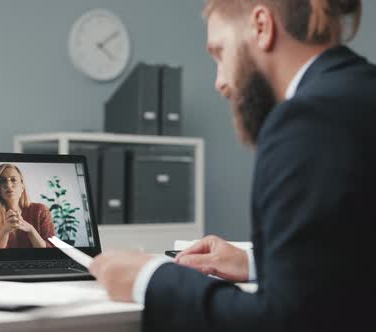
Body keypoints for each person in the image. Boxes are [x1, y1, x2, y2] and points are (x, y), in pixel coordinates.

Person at [89, 0, 375, 331]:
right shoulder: (359, 96)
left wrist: (149, 278)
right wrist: (256, 263)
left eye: (220, 53)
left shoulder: (306, 120)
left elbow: (285, 322)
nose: (220, 82)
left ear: (261, 27)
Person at [0, 164, 55, 248]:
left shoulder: (41, 211)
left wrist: (31, 230)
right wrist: (5, 230)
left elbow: (51, 251)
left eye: (13, 180)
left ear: (22, 186)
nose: (8, 185)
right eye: (2, 181)